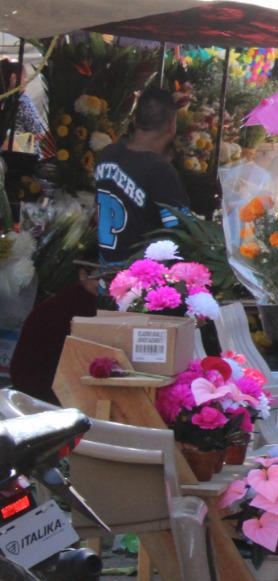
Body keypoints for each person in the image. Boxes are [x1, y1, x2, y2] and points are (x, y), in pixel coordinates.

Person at [94, 86, 188, 264]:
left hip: (105, 276)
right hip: (139, 283)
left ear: (135, 120)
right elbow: (181, 235)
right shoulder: (160, 170)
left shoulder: (108, 154)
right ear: (171, 125)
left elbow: (97, 216)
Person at [10, 262, 102, 404]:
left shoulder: (87, 303)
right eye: (100, 278)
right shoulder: (64, 306)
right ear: (83, 275)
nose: (105, 285)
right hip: (49, 393)